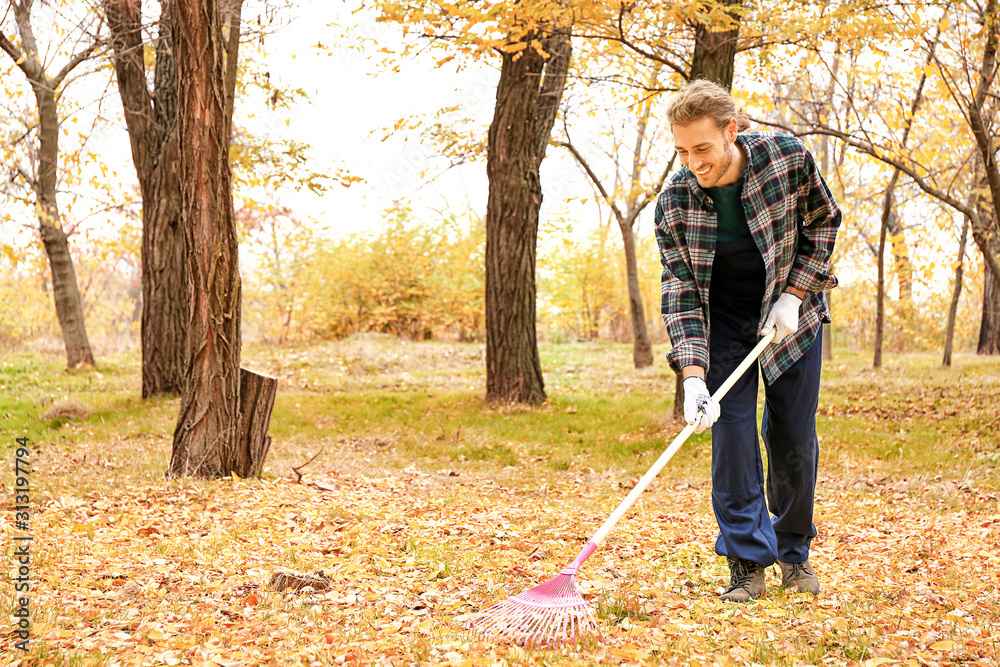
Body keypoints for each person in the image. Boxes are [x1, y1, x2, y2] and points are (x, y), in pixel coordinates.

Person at [653, 79, 842, 602]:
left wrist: (796, 294)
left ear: (732, 131)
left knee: (792, 440)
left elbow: (824, 225)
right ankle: (746, 561)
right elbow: (682, 292)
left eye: (703, 149)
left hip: (790, 317)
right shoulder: (673, 204)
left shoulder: (786, 158)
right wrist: (693, 378)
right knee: (731, 439)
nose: (693, 162)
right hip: (724, 325)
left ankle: (794, 553)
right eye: (682, 151)